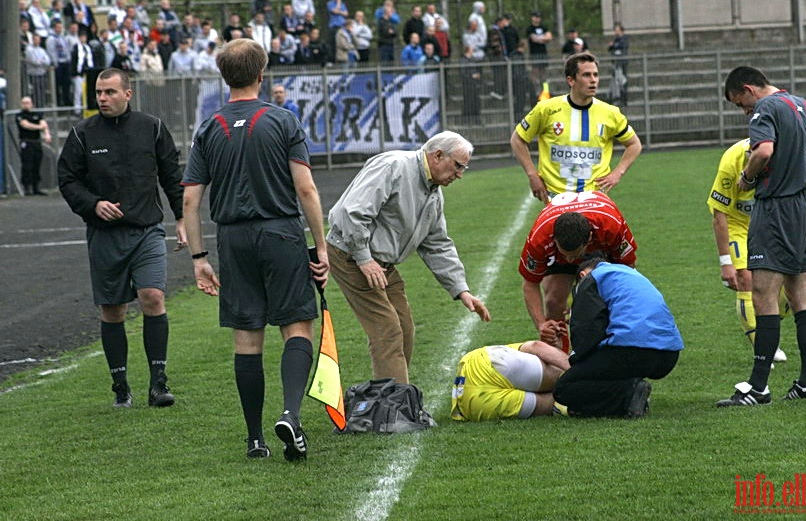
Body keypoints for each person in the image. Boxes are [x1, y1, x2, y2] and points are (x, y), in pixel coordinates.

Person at [181, 38, 330, 460]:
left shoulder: (209, 128)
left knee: (247, 339)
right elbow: (306, 188)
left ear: (224, 76)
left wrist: (198, 259)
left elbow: (190, 200)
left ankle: (254, 440)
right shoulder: (282, 119)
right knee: (297, 326)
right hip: (281, 233)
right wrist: (321, 247)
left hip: (232, 239)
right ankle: (291, 415)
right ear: (262, 74)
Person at [57, 68, 186, 409]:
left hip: (147, 230)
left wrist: (183, 217)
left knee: (153, 297)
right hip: (104, 237)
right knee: (112, 310)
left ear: (128, 94)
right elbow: (67, 179)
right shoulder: (82, 133)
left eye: (110, 92)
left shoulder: (152, 127)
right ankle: (120, 386)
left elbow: (173, 176)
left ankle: (158, 385)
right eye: (99, 92)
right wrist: (93, 204)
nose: (102, 98)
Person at [326, 131, 491, 384]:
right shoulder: (393, 166)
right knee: (388, 330)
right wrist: (364, 258)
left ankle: (394, 398)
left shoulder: (433, 192)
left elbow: (437, 244)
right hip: (350, 255)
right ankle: (393, 407)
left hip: (382, 264)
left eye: (464, 168)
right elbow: (352, 213)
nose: (460, 174)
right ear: (437, 155)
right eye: (458, 166)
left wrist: (462, 290)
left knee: (404, 328)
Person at [717, 66, 806, 407]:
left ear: (749, 89)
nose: (745, 112)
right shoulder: (804, 105)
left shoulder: (766, 108)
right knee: (801, 292)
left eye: (741, 104)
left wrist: (747, 178)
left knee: (763, 292)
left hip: (777, 207)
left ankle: (758, 387)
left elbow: (763, 151)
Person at [553, 255, 684, 418]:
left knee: (565, 388)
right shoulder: (631, 274)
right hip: (668, 355)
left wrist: (577, 361)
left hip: (633, 350)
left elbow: (587, 332)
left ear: (582, 275)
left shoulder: (591, 279)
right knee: (608, 371)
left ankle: (629, 394)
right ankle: (631, 394)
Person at [510, 52, 642, 203]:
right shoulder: (546, 109)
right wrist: (532, 175)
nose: (593, 80)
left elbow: (634, 144)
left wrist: (617, 173)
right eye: (586, 75)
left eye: (595, 75)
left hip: (594, 201)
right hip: (556, 200)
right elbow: (517, 139)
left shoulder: (610, 113)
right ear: (571, 80)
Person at [518, 191, 637, 347]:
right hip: (559, 240)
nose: (569, 260)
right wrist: (541, 324)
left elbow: (627, 270)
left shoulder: (610, 226)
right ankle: (560, 360)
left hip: (598, 242)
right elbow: (530, 284)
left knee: (601, 300)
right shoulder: (540, 238)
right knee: (554, 301)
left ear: (588, 240)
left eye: (573, 256)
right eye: (565, 255)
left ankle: (610, 346)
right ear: (554, 239)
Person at [708, 138, 788, 364]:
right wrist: (726, 261)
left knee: (787, 288)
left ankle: (768, 327)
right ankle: (764, 349)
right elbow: (719, 214)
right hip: (738, 226)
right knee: (745, 280)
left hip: (771, 225)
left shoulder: (783, 154)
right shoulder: (732, 159)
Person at [451, 340, 570, 421]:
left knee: (556, 403)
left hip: (472, 403)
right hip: (483, 362)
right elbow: (536, 346)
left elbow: (536, 346)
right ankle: (582, 373)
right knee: (562, 378)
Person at [16, 96, 52, 195]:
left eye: (28, 102)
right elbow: (26, 125)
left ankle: (36, 187)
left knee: (37, 163)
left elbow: (44, 124)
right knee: (27, 164)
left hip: (36, 141)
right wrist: (39, 127)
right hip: (26, 142)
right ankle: (27, 188)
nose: (26, 105)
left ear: (32, 104)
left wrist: (47, 134)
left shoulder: (37, 114)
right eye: (24, 103)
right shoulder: (20, 115)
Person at [607, 23, 629, 106]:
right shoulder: (616, 40)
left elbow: (622, 46)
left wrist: (614, 45)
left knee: (622, 80)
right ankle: (617, 97)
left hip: (621, 63)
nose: (615, 32)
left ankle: (623, 99)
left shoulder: (624, 39)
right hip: (616, 63)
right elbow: (610, 48)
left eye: (617, 30)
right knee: (616, 80)